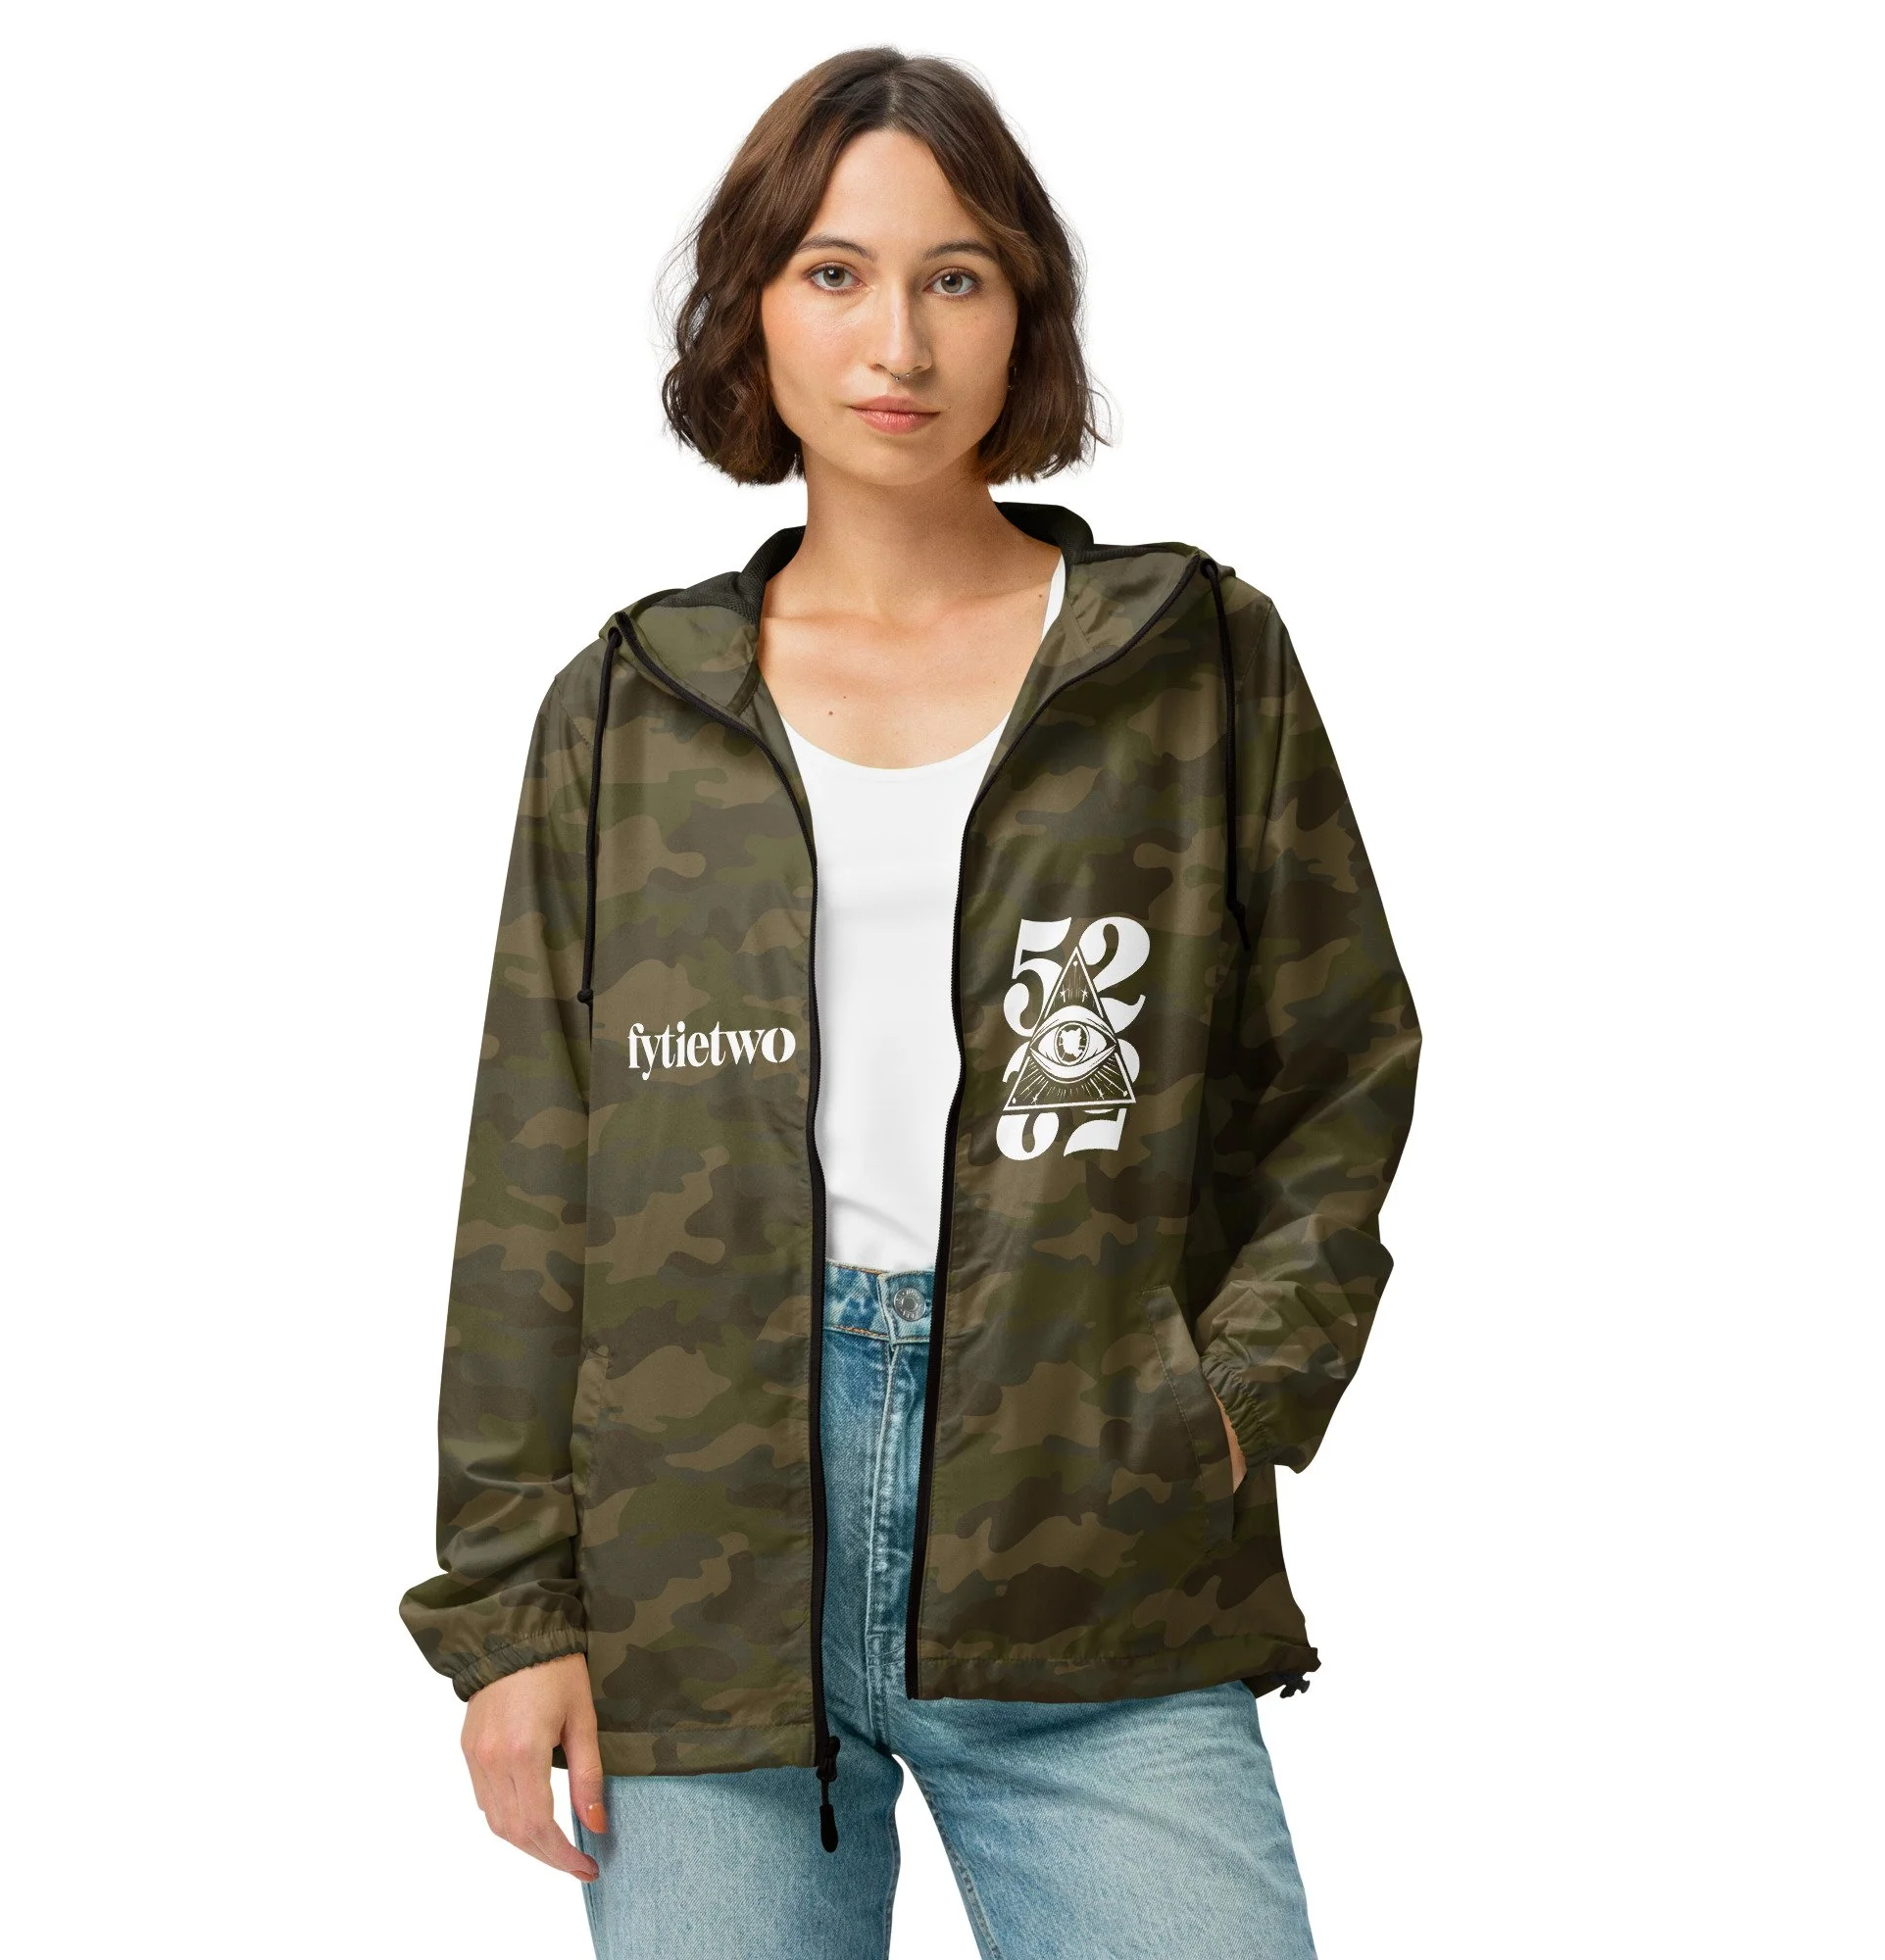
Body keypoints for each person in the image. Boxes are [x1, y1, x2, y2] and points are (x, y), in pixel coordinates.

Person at [399, 45, 1420, 1960]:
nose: (899, 339)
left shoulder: (1189, 659)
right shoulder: (633, 705)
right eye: (833, 272)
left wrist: (1227, 1403)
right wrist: (513, 1613)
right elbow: (535, 1179)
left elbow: (1340, 1065)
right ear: (753, 310)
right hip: (697, 1574)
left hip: (1091, 1529)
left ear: (1024, 308)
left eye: (956, 275)